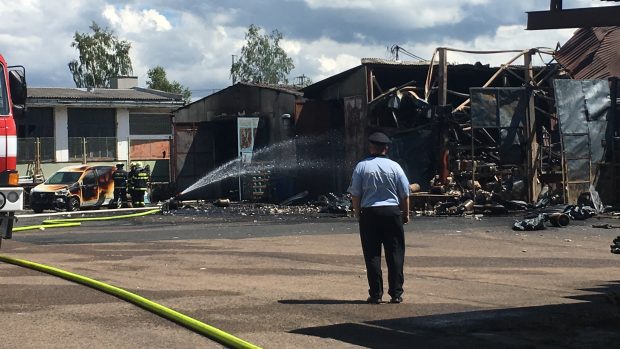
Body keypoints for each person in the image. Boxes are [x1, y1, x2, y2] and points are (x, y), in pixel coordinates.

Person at [348, 132, 410, 304]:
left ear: (371, 147)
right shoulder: (395, 167)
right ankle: (396, 293)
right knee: (395, 253)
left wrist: (357, 212)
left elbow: (355, 194)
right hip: (392, 212)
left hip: (370, 214)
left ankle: (375, 294)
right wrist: (406, 214)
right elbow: (405, 194)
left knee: (372, 255)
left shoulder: (362, 167)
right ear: (386, 148)